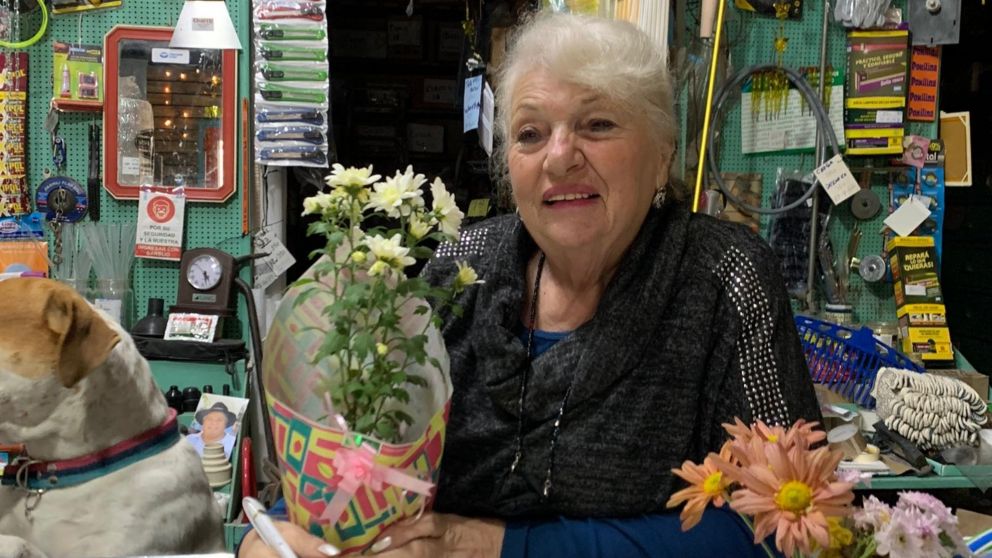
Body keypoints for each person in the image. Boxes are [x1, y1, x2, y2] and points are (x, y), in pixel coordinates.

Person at [239, 10, 819, 558]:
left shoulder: (727, 278)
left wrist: (501, 547)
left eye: (597, 124)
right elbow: (354, 434)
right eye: (530, 134)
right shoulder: (461, 269)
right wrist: (278, 530)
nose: (560, 156)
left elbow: (784, 529)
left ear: (662, 151)